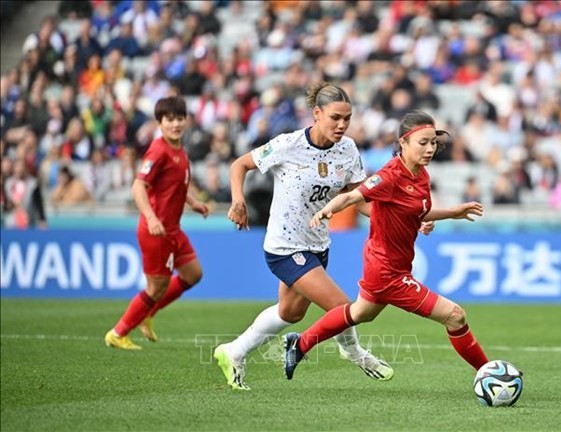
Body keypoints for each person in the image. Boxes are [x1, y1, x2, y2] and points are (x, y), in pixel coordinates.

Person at [214, 82, 420, 390]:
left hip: (318, 243)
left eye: (347, 118)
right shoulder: (289, 144)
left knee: (290, 313)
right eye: (335, 117)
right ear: (317, 113)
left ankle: (233, 352)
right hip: (285, 246)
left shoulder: (348, 150)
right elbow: (239, 165)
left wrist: (404, 218)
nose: (341, 125)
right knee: (341, 306)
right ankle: (355, 353)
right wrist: (238, 201)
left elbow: (357, 198)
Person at [283, 110, 489, 380]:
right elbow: (352, 197)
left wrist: (449, 213)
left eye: (433, 142)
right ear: (403, 142)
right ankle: (488, 372)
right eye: (423, 142)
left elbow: (414, 211)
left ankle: (300, 344)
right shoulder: (389, 177)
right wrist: (326, 211)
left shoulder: (421, 175)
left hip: (389, 263)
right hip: (387, 271)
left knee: (360, 313)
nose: (430, 149)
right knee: (455, 315)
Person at [105, 96, 210, 350]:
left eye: (179, 118)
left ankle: (148, 314)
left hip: (173, 229)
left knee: (193, 274)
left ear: (186, 120)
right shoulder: (159, 150)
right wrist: (151, 217)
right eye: (169, 119)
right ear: (160, 122)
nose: (175, 124)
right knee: (157, 286)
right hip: (157, 230)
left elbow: (174, 187)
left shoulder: (180, 152)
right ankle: (118, 333)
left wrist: (193, 202)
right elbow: (138, 186)